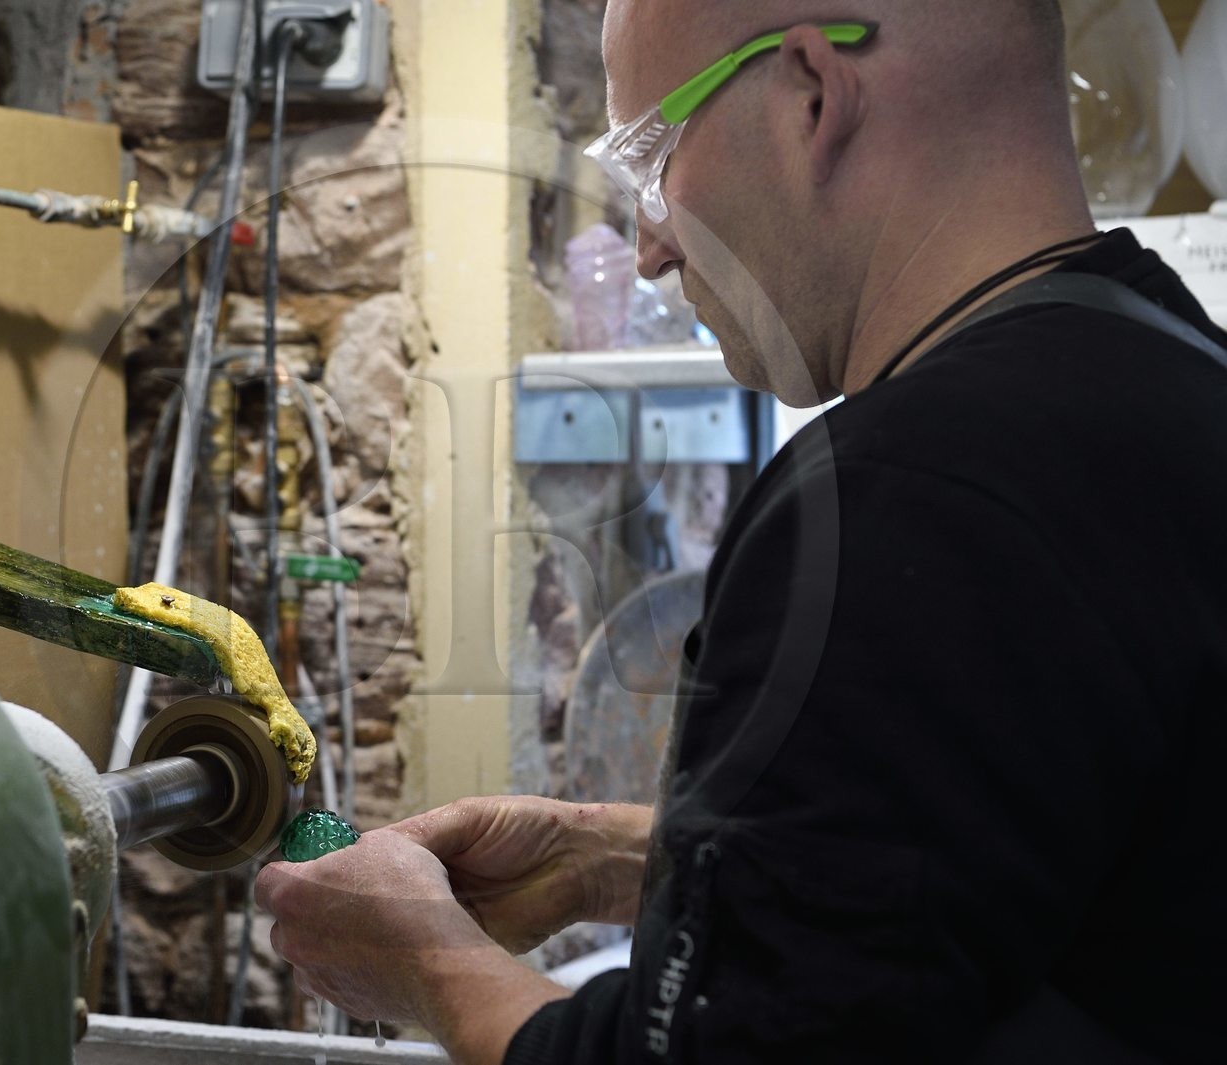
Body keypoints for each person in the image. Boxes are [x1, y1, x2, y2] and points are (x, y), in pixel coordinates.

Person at [256, 2, 1227, 1061]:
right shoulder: (1172, 370)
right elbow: (1024, 877)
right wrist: (614, 857)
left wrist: (421, 957)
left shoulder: (900, 500)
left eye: (651, 156)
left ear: (811, 94)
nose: (649, 248)